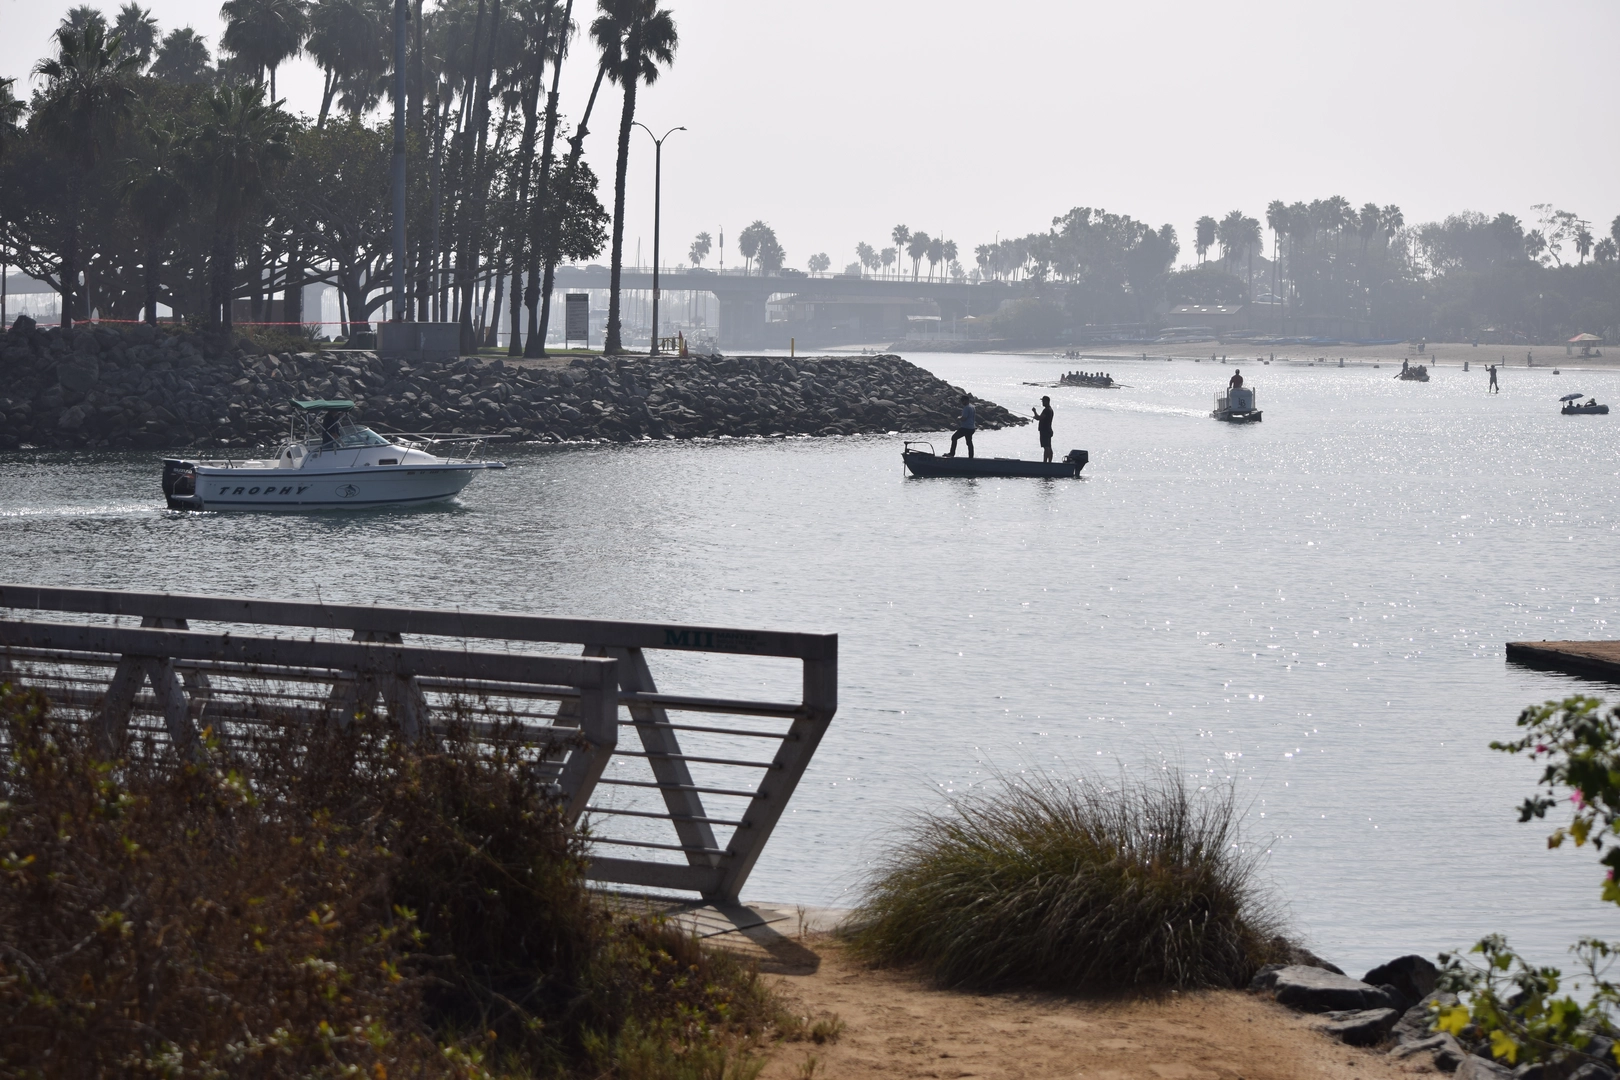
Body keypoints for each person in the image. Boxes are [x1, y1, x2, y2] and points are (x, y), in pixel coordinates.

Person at [1032, 395, 1054, 463]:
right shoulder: (1050, 410)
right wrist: (1036, 416)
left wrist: (1034, 411)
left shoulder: (1046, 410)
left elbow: (1039, 418)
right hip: (1048, 430)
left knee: (1046, 447)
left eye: (1043, 401)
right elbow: (1040, 418)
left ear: (1047, 401)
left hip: (1045, 430)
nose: (1042, 402)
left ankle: (1045, 463)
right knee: (1049, 447)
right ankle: (1049, 462)